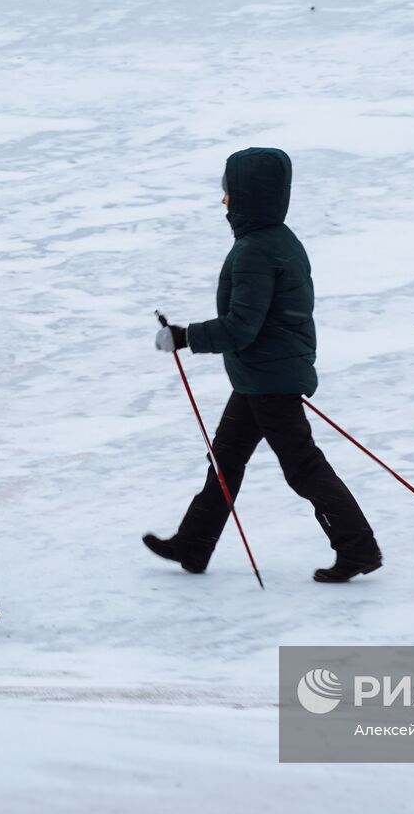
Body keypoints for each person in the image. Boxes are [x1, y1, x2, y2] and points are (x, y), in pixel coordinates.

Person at [145, 147, 383, 582]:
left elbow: (241, 328)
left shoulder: (256, 251)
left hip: (269, 379)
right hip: (261, 376)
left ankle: (358, 549)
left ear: (248, 197)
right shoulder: (279, 241)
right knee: (225, 461)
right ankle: (192, 544)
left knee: (302, 468)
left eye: (229, 194)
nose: (224, 202)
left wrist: (184, 337)